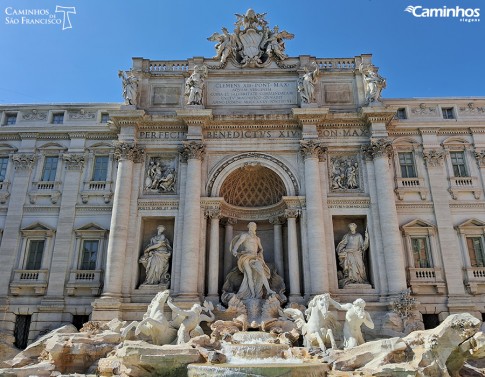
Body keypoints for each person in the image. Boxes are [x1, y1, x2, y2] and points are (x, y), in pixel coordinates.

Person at [231, 222, 275, 299]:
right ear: (248, 227)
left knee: (262, 272)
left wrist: (260, 253)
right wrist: (234, 250)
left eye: (254, 226)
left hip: (255, 257)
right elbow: (237, 244)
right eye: (251, 226)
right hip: (246, 256)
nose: (252, 227)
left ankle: (268, 289)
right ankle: (253, 294)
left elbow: (261, 248)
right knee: (249, 276)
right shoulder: (245, 236)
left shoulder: (257, 238)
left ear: (255, 228)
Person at [336, 223, 369, 287]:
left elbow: (363, 246)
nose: (351, 228)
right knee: (350, 266)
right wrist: (342, 250)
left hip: (357, 253)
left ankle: (360, 280)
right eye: (350, 227)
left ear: (355, 227)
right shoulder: (347, 236)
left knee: (360, 267)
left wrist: (366, 238)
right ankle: (351, 279)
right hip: (349, 253)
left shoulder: (359, 235)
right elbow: (342, 244)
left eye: (353, 227)